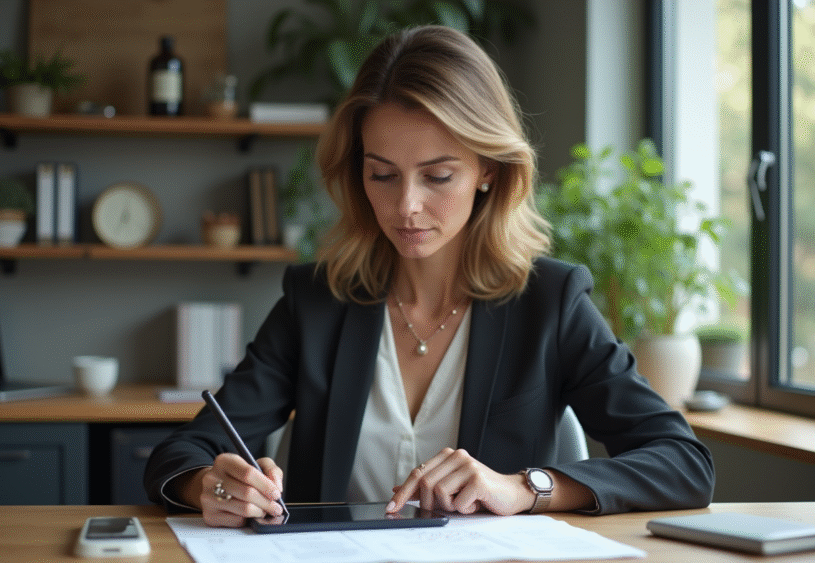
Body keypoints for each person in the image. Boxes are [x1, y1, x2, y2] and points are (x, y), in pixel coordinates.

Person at [144, 25, 714, 526]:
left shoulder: (551, 302)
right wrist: (211, 486)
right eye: (383, 176)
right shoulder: (316, 301)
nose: (406, 207)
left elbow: (683, 463)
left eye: (437, 176)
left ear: (488, 169)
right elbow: (186, 449)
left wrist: (524, 488)